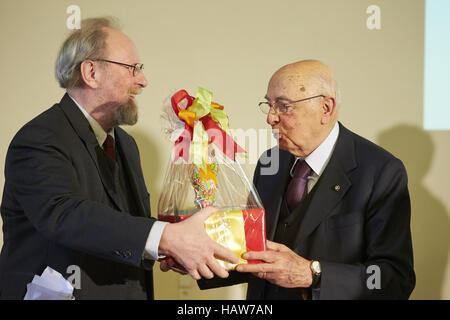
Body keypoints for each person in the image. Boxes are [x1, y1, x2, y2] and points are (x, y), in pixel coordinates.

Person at [0, 17, 238, 300]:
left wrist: (168, 247)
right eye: (132, 68)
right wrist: (167, 237)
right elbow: (65, 215)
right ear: (90, 72)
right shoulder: (40, 138)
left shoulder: (125, 144)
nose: (143, 80)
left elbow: (122, 228)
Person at [193, 59, 415, 299]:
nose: (270, 118)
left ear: (326, 109)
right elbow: (253, 255)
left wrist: (313, 273)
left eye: (284, 106)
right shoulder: (270, 163)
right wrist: (197, 255)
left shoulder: (380, 171)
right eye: (269, 105)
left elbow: (394, 277)